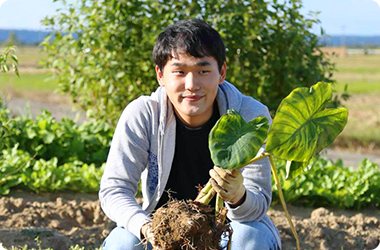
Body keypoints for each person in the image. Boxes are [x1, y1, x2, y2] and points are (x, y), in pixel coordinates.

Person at [99, 18, 281, 250]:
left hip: (229, 229)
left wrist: (238, 196)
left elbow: (258, 205)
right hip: (161, 229)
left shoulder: (249, 116)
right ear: (160, 75)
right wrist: (146, 227)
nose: (192, 84)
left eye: (203, 70)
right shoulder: (144, 114)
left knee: (250, 238)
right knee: (123, 243)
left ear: (222, 72)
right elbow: (115, 190)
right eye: (179, 72)